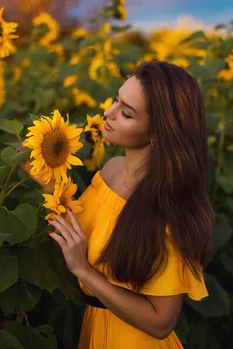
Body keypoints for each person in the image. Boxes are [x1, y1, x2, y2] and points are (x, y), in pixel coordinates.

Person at [20, 61, 214, 348]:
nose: (108, 113)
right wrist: (47, 181)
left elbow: (161, 323)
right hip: (96, 329)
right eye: (116, 99)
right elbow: (85, 227)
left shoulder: (167, 210)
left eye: (126, 113)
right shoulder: (111, 169)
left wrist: (83, 270)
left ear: (157, 133)